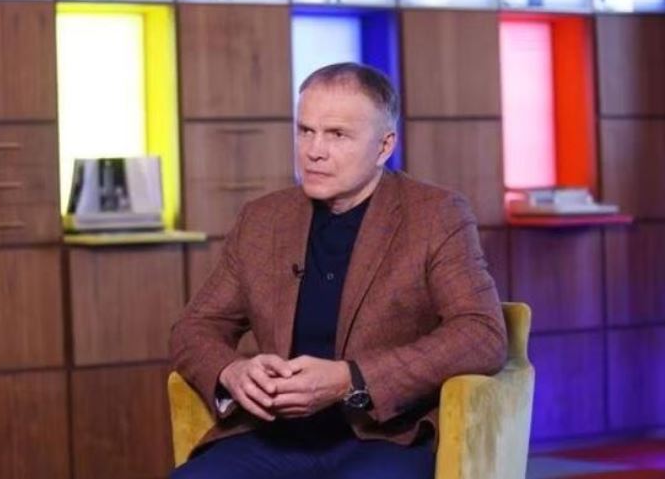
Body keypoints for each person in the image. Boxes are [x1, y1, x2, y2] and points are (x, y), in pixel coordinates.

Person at [170, 62, 507, 478]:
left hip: (384, 438)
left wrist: (351, 379)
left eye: (337, 135)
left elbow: (481, 334)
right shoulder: (262, 219)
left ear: (384, 146)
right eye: (305, 130)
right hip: (274, 437)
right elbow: (194, 327)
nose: (314, 150)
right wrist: (232, 371)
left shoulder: (436, 215)